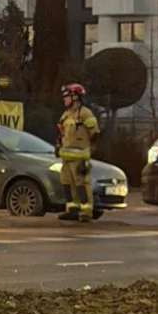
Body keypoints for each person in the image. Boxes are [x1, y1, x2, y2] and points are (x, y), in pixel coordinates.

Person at [57, 82, 100, 222]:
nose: (64, 99)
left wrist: (89, 155)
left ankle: (86, 212)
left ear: (75, 97)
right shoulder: (66, 115)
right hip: (66, 158)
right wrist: (57, 146)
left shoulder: (85, 113)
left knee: (81, 184)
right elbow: (61, 133)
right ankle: (72, 210)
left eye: (66, 96)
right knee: (67, 184)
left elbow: (95, 134)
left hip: (80, 158)